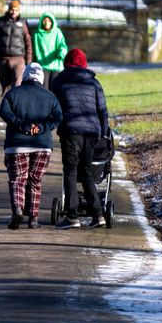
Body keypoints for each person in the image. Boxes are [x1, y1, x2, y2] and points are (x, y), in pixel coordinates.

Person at [0, 63, 63, 229]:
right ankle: (33, 219)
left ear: (25, 76)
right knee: (35, 181)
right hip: (42, 145)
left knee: (17, 180)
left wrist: (21, 125)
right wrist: (40, 128)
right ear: (41, 78)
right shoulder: (50, 97)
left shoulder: (12, 94)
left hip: (16, 145)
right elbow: (57, 117)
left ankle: (17, 210)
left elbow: (4, 112)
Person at [51, 48, 110, 229]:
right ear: (84, 63)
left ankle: (72, 216)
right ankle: (98, 215)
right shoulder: (94, 83)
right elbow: (102, 110)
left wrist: (54, 126)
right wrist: (104, 132)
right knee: (86, 171)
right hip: (92, 131)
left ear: (66, 62)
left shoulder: (60, 80)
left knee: (70, 171)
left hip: (71, 131)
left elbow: (54, 106)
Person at [0, 0, 32, 95]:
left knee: (17, 85)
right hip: (3, 59)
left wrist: (29, 59)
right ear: (8, 9)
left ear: (19, 11)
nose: (14, 12)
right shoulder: (0, 21)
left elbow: (28, 41)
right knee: (5, 87)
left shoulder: (23, 23)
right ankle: (6, 106)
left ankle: (15, 106)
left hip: (18, 59)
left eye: (16, 10)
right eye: (12, 9)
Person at [31, 12, 68, 91]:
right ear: (41, 21)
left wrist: (61, 53)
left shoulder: (57, 32)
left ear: (52, 22)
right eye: (45, 20)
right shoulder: (37, 34)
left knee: (55, 89)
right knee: (44, 89)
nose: (47, 23)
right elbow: (32, 49)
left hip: (55, 66)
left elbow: (62, 45)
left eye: (49, 21)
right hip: (42, 66)